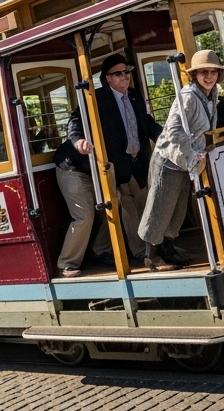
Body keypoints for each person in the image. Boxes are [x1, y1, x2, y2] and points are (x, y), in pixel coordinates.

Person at [51, 53, 163, 277]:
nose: (125, 77)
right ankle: (67, 263)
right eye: (118, 74)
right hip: (75, 166)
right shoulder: (96, 98)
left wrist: (167, 138)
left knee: (114, 206)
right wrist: (78, 141)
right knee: (85, 216)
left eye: (127, 72)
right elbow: (75, 121)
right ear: (107, 79)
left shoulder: (133, 97)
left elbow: (147, 124)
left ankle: (105, 250)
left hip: (105, 167)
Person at [137, 50, 224, 272]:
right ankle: (151, 258)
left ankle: (168, 250)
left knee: (177, 209)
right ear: (194, 75)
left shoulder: (211, 95)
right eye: (203, 72)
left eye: (213, 72)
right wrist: (193, 154)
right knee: (160, 206)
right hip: (169, 158)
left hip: (186, 160)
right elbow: (175, 131)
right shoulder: (188, 96)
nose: (209, 76)